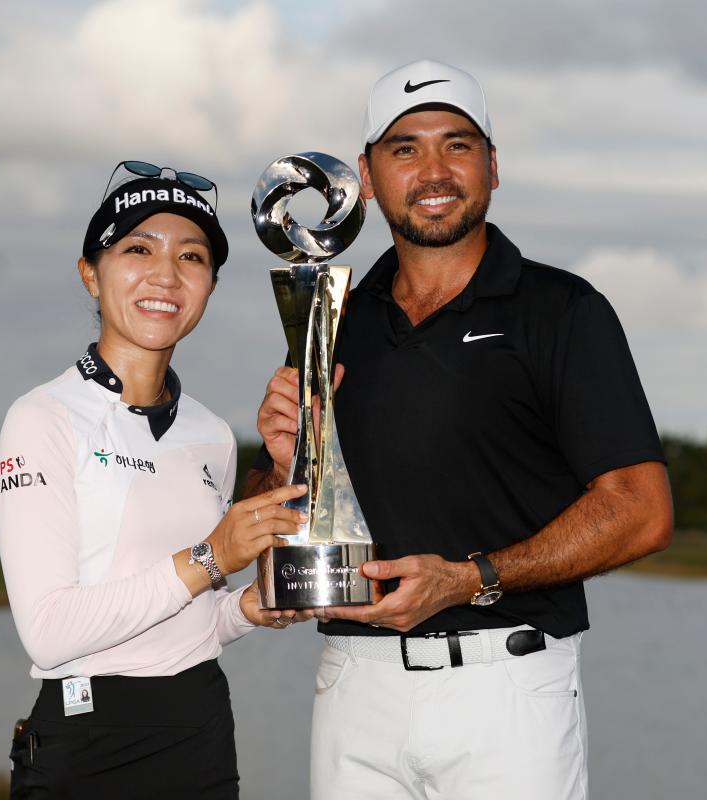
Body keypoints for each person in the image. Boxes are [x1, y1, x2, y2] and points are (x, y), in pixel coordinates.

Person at [246, 60, 674, 799]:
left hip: (507, 688)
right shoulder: (333, 320)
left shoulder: (562, 311)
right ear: (368, 176)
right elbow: (271, 526)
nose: (434, 169)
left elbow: (641, 509)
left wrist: (469, 579)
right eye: (405, 149)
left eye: (458, 144)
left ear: (493, 166)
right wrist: (286, 468)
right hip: (354, 687)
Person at [0, 160, 311, 799]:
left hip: (199, 728)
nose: (165, 274)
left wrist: (247, 609)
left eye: (192, 257)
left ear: (210, 286)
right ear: (91, 273)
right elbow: (51, 632)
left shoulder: (212, 433)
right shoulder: (43, 418)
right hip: (88, 741)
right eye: (138, 248)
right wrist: (212, 555)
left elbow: (187, 621)